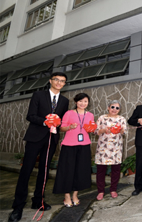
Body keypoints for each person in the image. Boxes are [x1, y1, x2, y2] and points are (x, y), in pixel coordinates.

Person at [9, 72, 69, 222]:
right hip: (35, 137)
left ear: (64, 84)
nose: (58, 82)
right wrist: (45, 122)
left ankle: (38, 201)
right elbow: (30, 115)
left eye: (62, 81)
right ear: (50, 81)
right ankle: (18, 207)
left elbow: (62, 120)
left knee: (44, 170)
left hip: (51, 140)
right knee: (26, 170)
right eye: (56, 79)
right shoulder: (38, 95)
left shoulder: (64, 100)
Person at [53, 93, 94, 207]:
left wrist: (92, 129)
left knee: (81, 171)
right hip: (69, 145)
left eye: (85, 101)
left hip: (84, 145)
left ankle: (75, 195)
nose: (83, 103)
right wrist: (69, 127)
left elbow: (91, 127)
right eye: (80, 101)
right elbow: (61, 128)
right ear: (76, 102)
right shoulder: (69, 113)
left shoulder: (90, 115)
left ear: (88, 103)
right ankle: (66, 196)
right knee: (67, 171)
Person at [95, 100, 127, 200]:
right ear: (108, 107)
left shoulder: (122, 119)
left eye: (117, 108)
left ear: (119, 110)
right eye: (112, 107)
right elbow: (95, 131)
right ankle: (100, 191)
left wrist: (122, 131)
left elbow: (124, 132)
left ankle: (113, 189)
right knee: (100, 170)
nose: (114, 109)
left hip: (116, 148)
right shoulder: (102, 118)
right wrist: (103, 130)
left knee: (116, 170)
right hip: (103, 148)